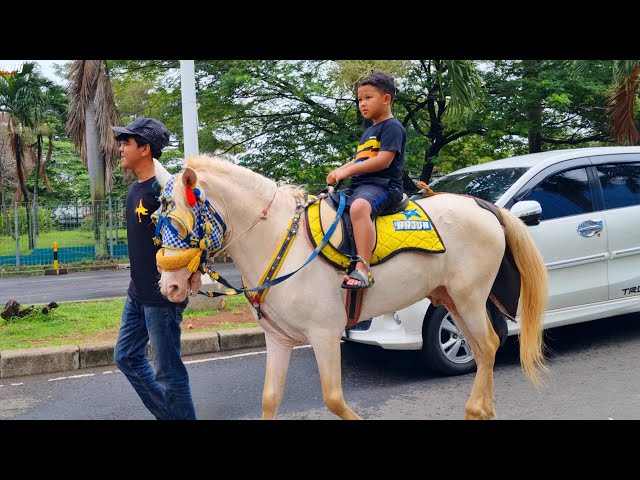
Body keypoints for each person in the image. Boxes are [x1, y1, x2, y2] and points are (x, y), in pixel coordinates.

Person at [111, 117, 201, 420]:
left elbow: (193, 236)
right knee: (126, 356)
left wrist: (192, 273)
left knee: (169, 374)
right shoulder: (137, 188)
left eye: (127, 142)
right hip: (138, 294)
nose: (121, 148)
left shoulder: (165, 191)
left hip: (162, 299)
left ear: (145, 148)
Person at [326, 71, 407, 289]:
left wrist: (347, 173)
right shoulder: (369, 129)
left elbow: (382, 161)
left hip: (384, 186)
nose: (362, 104)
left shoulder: (392, 127)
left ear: (386, 98)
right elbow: (358, 159)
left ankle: (363, 268)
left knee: (360, 207)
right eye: (360, 99)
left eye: (368, 97)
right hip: (361, 186)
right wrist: (339, 170)